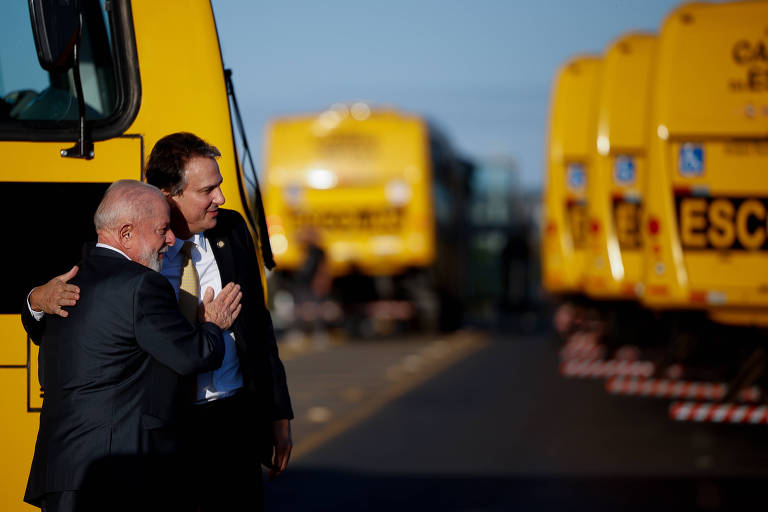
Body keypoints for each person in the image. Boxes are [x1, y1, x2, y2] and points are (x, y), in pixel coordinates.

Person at [31, 133, 294, 511]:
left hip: (232, 420)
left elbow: (259, 327)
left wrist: (278, 414)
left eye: (219, 186)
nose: (220, 198)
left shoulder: (231, 231)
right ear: (169, 194)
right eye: (208, 190)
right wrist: (35, 301)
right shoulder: (116, 244)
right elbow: (66, 322)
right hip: (166, 430)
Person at [23, 180, 243, 512]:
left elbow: (46, 332)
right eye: (162, 230)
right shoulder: (142, 285)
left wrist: (31, 301)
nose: (170, 240)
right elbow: (192, 356)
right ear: (126, 234)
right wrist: (213, 324)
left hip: (61, 473)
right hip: (113, 478)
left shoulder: (63, 284)